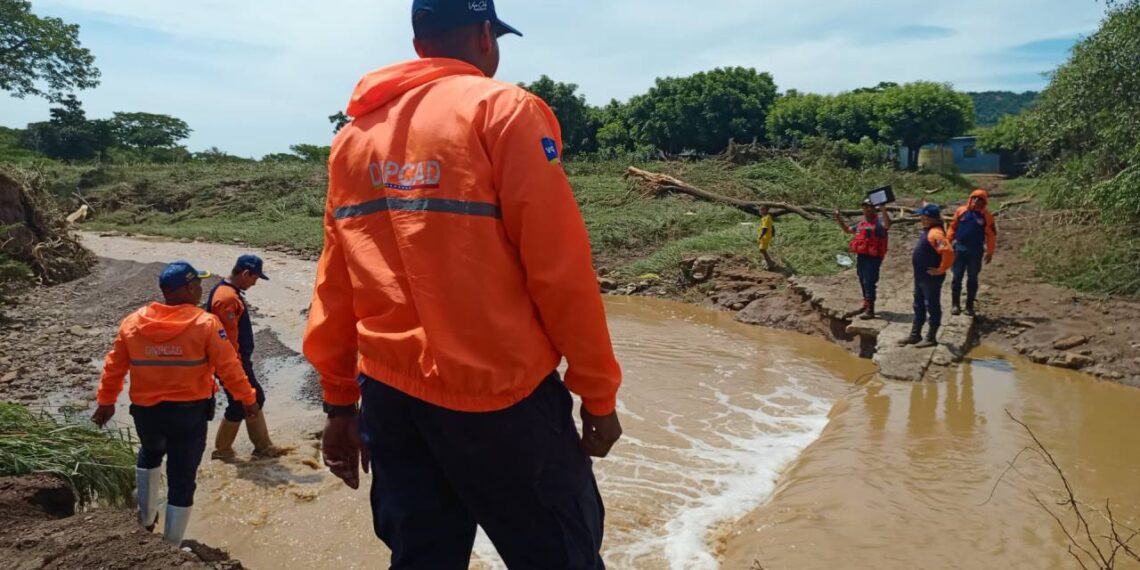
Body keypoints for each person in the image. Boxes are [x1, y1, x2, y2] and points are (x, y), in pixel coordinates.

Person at [302, 1, 623, 567]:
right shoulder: (503, 110)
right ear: (484, 35)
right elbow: (560, 271)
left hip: (391, 399)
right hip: (501, 398)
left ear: (419, 39)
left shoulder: (354, 137)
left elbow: (336, 282)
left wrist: (338, 403)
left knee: (422, 557)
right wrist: (596, 394)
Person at [91, 261, 259, 547]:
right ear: (190, 288)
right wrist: (248, 399)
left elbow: (114, 367)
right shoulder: (205, 324)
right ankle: (169, 546)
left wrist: (106, 402)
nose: (201, 289)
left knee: (150, 454)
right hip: (188, 415)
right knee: (182, 477)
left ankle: (145, 520)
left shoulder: (133, 322)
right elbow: (229, 367)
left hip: (147, 413)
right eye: (199, 284)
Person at [207, 254, 284, 460]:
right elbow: (228, 342)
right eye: (255, 278)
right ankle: (237, 450)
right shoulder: (227, 298)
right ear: (245, 273)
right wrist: (237, 369)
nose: (255, 283)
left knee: (249, 400)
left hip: (234, 362)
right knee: (246, 400)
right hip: (231, 363)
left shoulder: (227, 292)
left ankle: (248, 448)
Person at [899, 205, 955, 348]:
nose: (921, 219)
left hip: (930, 278)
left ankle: (931, 338)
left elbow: (948, 251)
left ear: (931, 218)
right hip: (921, 277)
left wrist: (941, 269)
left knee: (932, 306)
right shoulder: (929, 231)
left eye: (924, 217)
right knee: (918, 305)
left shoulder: (935, 234)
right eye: (921, 217)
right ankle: (915, 335)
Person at [835, 199, 892, 319]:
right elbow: (847, 230)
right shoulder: (861, 224)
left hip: (873, 257)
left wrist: (883, 209)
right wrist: (839, 218)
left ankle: (870, 310)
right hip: (862, 256)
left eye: (869, 207)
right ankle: (866, 305)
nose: (866, 209)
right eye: (864, 206)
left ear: (874, 208)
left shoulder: (880, 222)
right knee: (862, 279)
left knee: (869, 282)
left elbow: (887, 225)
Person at [947, 189, 997, 316]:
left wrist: (990, 252)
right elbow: (953, 227)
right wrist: (947, 243)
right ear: (970, 198)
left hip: (976, 251)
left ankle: (969, 306)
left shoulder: (986, 216)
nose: (976, 201)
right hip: (960, 249)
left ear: (984, 202)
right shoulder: (961, 211)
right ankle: (955, 305)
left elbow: (991, 236)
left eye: (980, 199)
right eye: (974, 198)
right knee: (956, 277)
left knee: (973, 278)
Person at [757, 205, 776, 269]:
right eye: (759, 210)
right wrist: (773, 233)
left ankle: (770, 263)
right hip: (768, 236)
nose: (760, 211)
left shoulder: (765, 218)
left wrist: (761, 236)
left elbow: (764, 228)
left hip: (765, 237)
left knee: (762, 249)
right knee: (763, 249)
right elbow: (772, 226)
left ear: (766, 210)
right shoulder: (769, 217)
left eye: (761, 210)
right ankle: (769, 262)